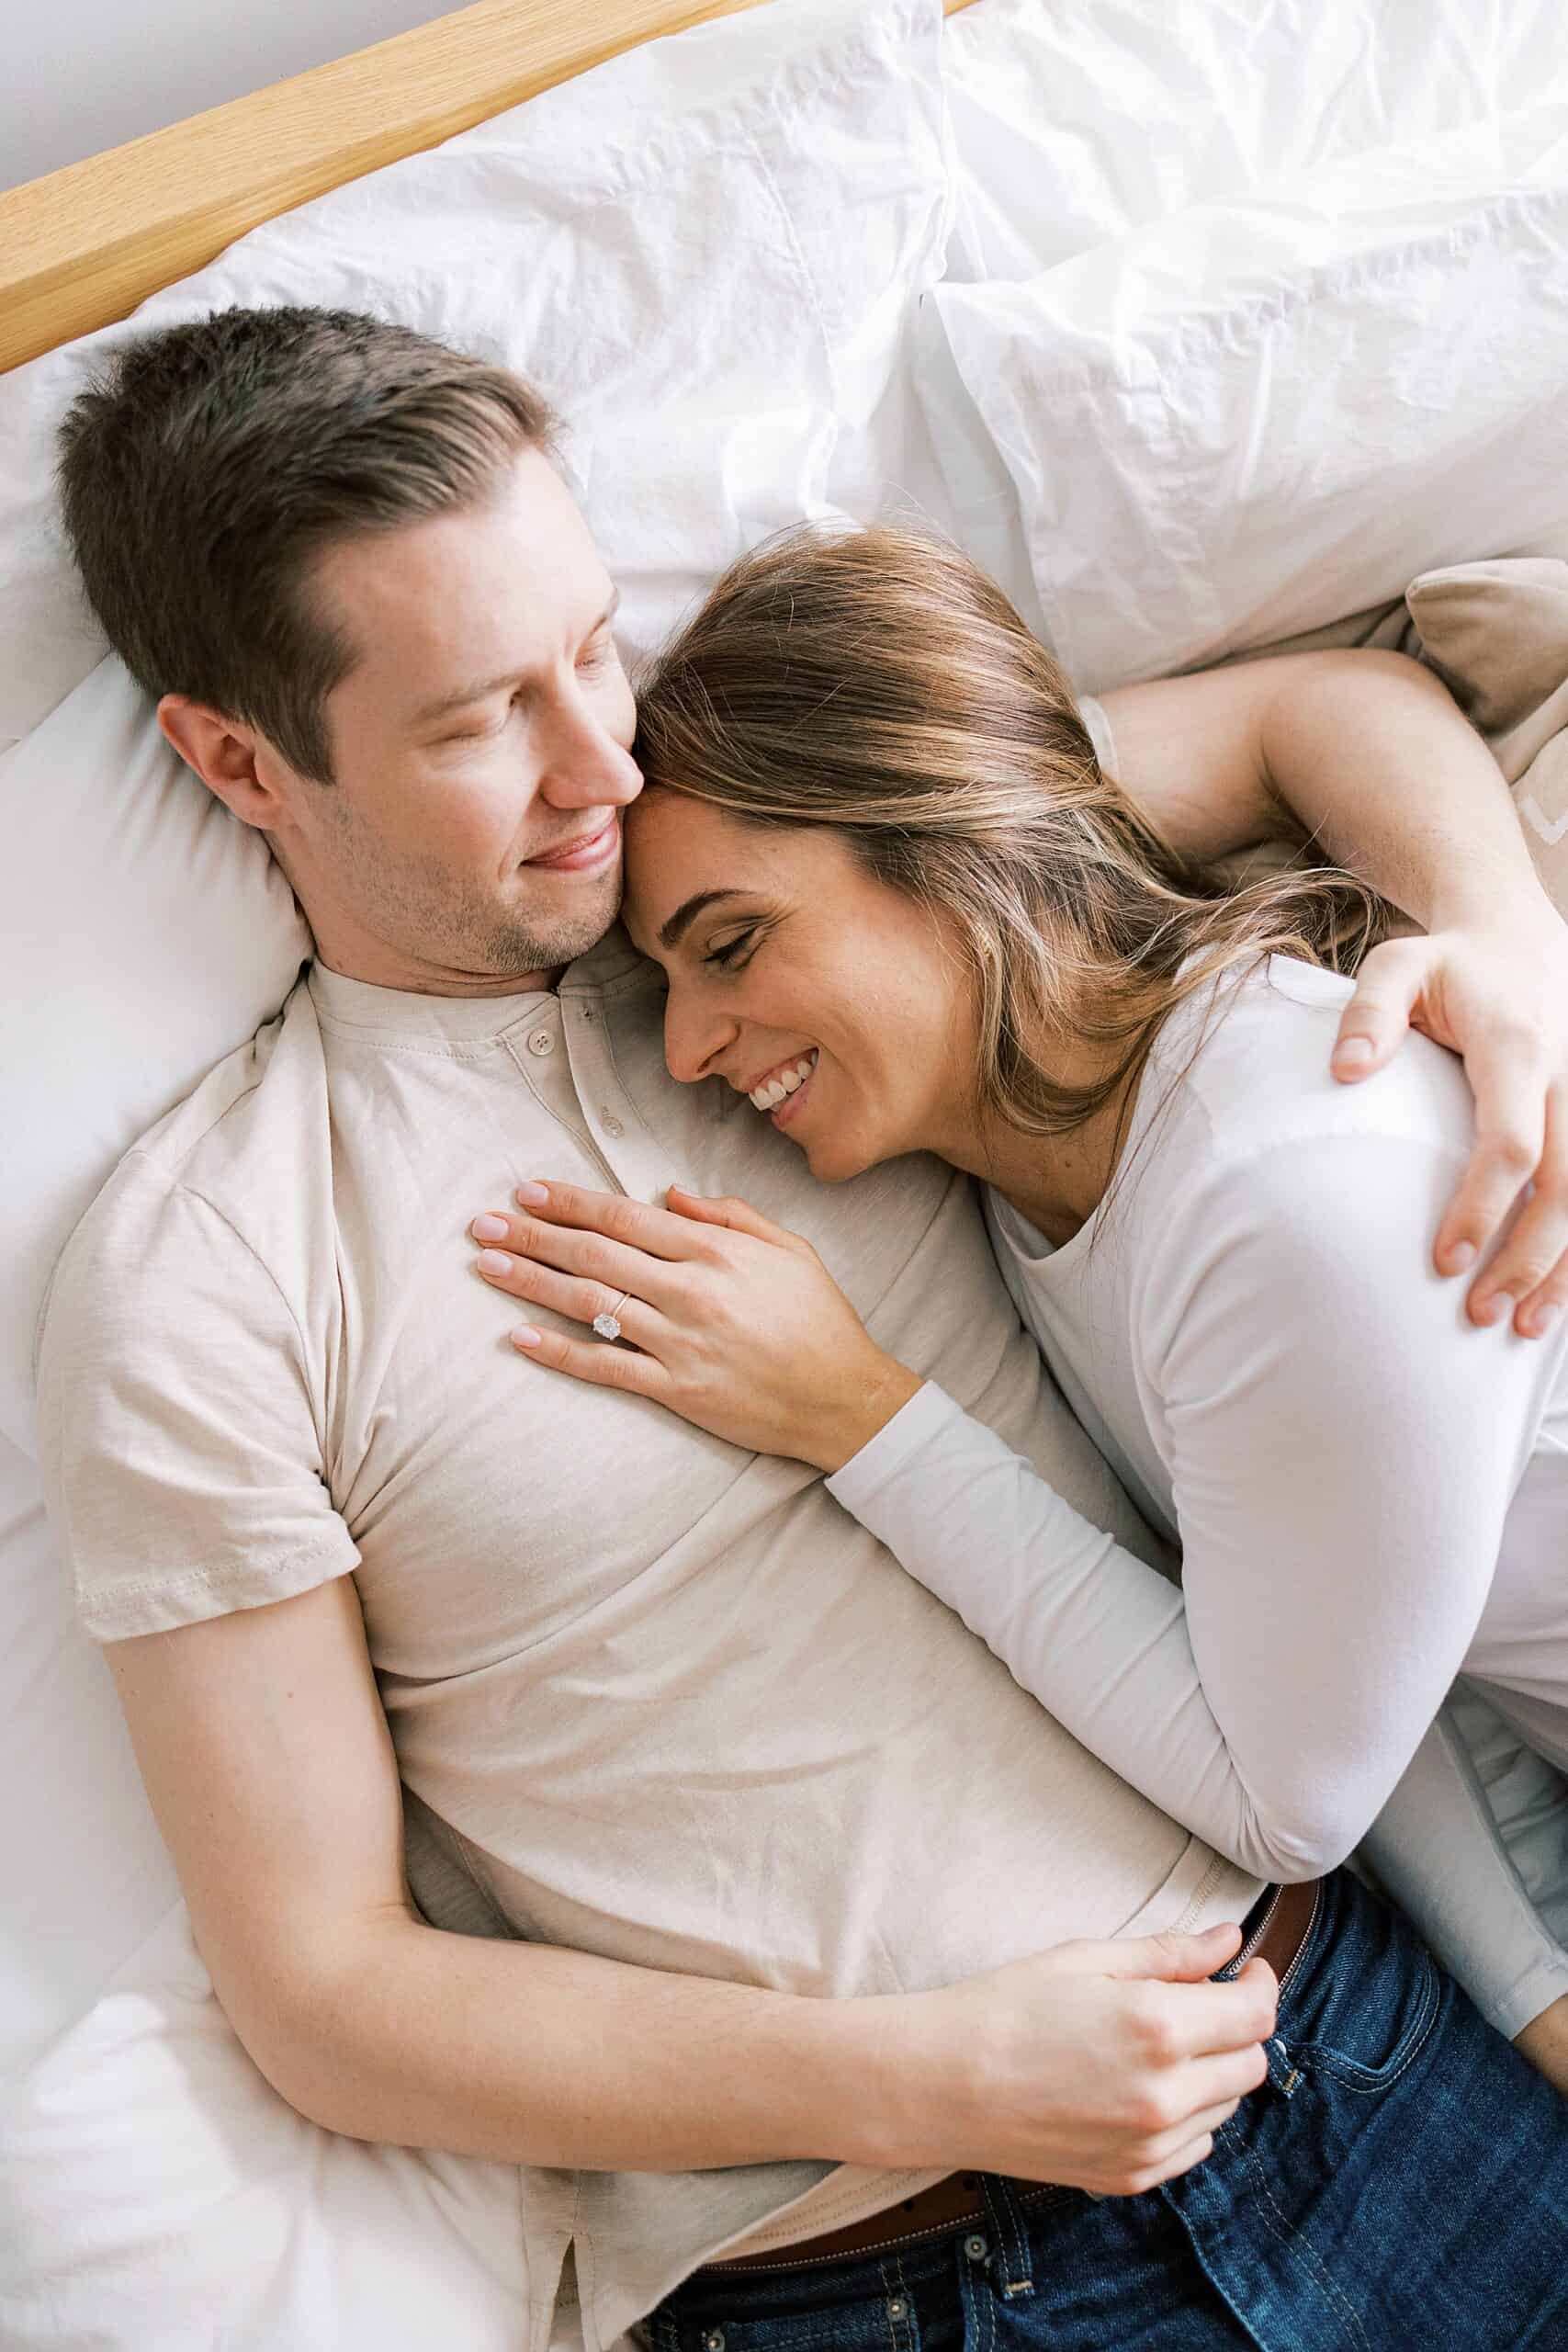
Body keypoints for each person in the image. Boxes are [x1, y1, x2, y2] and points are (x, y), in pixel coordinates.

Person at [33, 309, 1568, 2352]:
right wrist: (914, 2071)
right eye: (485, 716)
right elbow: (325, 1993)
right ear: (241, 757)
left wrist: (1510, 950)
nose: (601, 760)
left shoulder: (799, 890)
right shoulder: (205, 1267)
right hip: (896, 2268)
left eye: (593, 644)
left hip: (1362, 2021)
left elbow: (1331, 711)